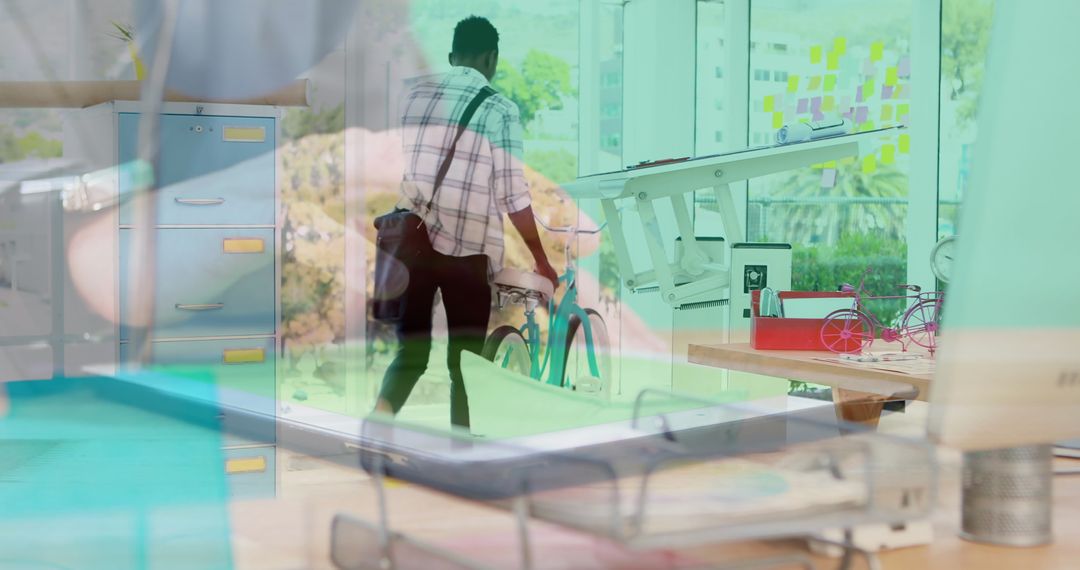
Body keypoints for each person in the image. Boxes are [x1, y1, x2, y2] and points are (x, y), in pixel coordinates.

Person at [373, 16, 558, 430]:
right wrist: (541, 261)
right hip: (467, 251)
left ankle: (378, 424)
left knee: (411, 355)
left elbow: (409, 163)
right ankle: (461, 454)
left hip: (412, 243)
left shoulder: (415, 98)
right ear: (491, 59)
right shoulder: (500, 109)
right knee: (466, 365)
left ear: (453, 56)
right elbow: (513, 195)